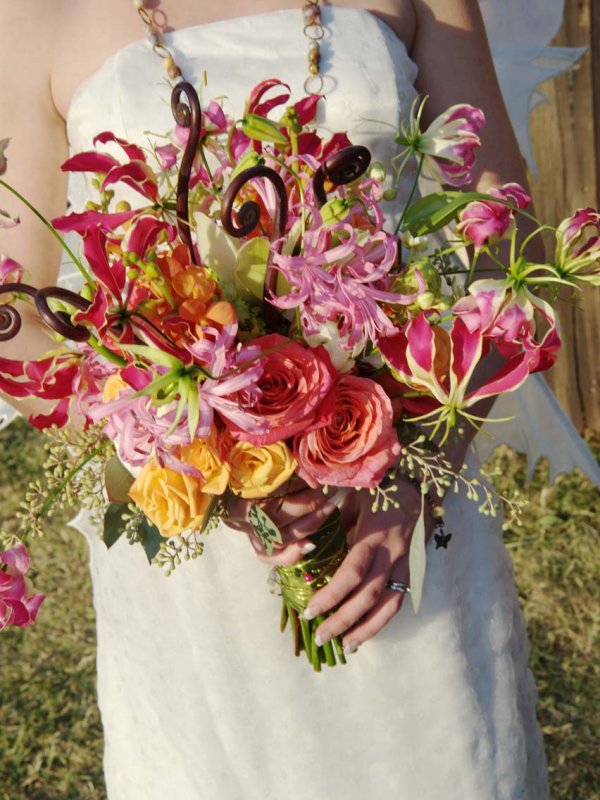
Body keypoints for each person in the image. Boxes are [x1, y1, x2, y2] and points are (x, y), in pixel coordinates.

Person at [1, 1, 588, 797]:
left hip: (403, 508)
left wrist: (411, 468)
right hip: (195, 554)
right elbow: (14, 316)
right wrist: (191, 452)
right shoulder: (37, 16)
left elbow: (503, 235)